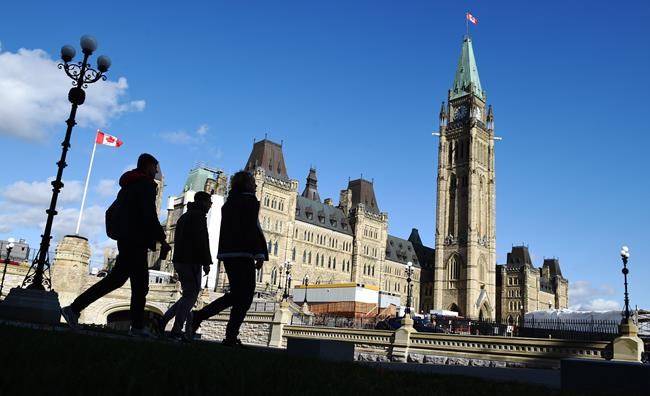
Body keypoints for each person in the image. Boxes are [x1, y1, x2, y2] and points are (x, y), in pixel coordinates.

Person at [61, 153, 170, 336]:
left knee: (121, 281)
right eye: (155, 167)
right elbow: (149, 215)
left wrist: (117, 232)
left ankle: (75, 309)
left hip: (127, 239)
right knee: (138, 285)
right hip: (137, 240)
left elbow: (110, 211)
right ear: (147, 166)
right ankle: (134, 327)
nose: (156, 171)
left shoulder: (128, 185)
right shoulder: (145, 185)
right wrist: (162, 239)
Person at [190, 171, 268, 346]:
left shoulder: (229, 203)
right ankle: (228, 334)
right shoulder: (249, 201)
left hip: (228, 254)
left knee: (237, 295)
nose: (256, 186)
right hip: (243, 253)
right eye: (252, 183)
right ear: (246, 185)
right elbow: (251, 229)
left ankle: (204, 318)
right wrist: (259, 253)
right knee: (245, 297)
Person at [159, 191, 213, 341]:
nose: (210, 205)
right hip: (192, 261)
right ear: (202, 202)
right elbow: (202, 241)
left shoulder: (184, 217)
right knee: (191, 296)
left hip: (180, 260)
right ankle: (176, 330)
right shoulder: (198, 217)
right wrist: (206, 262)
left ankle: (163, 321)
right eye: (209, 202)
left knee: (187, 296)